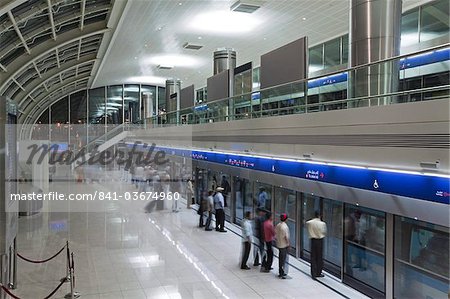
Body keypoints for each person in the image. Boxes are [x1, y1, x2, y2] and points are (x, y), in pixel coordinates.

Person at [306, 211, 327, 279]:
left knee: (313, 257)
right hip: (320, 241)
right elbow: (324, 232)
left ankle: (313, 273)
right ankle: (318, 272)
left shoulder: (310, 222)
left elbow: (307, 223)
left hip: (313, 240)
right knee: (319, 257)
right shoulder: (322, 224)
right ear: (320, 215)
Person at [275, 213, 290, 279]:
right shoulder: (284, 227)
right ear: (286, 219)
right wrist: (288, 244)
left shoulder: (278, 225)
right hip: (284, 245)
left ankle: (280, 271)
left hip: (279, 244)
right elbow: (286, 237)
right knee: (283, 259)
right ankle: (282, 272)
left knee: (280, 259)